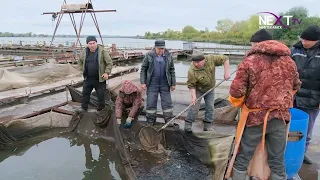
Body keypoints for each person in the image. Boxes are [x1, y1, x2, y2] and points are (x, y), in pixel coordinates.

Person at [228, 29, 301, 180]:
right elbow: (296, 86)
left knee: (244, 155)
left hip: (255, 117)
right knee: (277, 159)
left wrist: (240, 103)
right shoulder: (289, 61)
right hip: (280, 117)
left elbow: (236, 91)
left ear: (256, 44)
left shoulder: (249, 61)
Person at [290, 24, 320, 164]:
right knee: (291, 128)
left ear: (317, 40)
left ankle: (302, 154)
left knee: (306, 131)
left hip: (313, 98)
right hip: (294, 96)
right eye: (302, 39)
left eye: (307, 40)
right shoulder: (295, 50)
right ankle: (289, 152)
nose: (304, 42)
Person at [185, 50, 230, 133]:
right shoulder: (192, 70)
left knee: (210, 107)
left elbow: (225, 58)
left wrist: (226, 72)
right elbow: (191, 85)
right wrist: (194, 96)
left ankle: (207, 126)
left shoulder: (211, 59)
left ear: (203, 60)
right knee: (194, 107)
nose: (196, 64)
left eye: (198, 62)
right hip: (198, 89)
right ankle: (188, 125)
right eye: (194, 62)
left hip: (210, 89)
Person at [140, 40, 176, 125]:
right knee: (151, 103)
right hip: (152, 83)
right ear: (155, 48)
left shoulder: (168, 56)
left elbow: (172, 70)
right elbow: (143, 69)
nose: (161, 50)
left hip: (165, 83)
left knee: (167, 104)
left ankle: (169, 121)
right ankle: (150, 121)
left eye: (162, 48)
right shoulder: (149, 55)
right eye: (159, 49)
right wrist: (143, 82)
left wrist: (173, 83)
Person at [77, 36, 113, 113]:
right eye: (90, 43)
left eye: (94, 43)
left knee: (101, 95)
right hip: (88, 78)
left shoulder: (102, 51)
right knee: (85, 94)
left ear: (96, 43)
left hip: (99, 79)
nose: (92, 45)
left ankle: (101, 109)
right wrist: (82, 70)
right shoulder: (85, 51)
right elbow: (79, 61)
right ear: (87, 44)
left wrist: (106, 72)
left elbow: (109, 63)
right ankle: (83, 108)